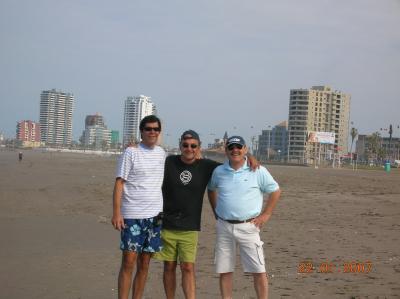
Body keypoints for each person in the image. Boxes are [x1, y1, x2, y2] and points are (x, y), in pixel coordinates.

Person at [154, 130, 259, 299]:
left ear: (199, 147)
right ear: (180, 145)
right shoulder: (169, 162)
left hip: (190, 226)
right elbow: (148, 160)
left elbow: (233, 161)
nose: (189, 148)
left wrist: (250, 158)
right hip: (167, 224)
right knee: (169, 266)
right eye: (185, 145)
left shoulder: (207, 166)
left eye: (193, 146)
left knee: (188, 267)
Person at [207, 136, 281, 299]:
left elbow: (275, 191)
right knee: (225, 270)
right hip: (224, 227)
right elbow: (211, 189)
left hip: (249, 227)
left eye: (238, 147)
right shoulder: (219, 171)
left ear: (245, 149)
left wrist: (266, 214)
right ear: (226, 150)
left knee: (258, 270)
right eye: (231, 147)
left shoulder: (257, 170)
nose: (235, 150)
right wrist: (216, 212)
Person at [111, 115, 166, 299]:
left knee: (144, 264)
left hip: (155, 217)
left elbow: (186, 160)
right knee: (128, 261)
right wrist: (117, 213)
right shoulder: (131, 153)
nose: (152, 132)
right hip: (132, 215)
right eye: (148, 129)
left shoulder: (161, 153)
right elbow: (119, 183)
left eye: (156, 129)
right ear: (141, 131)